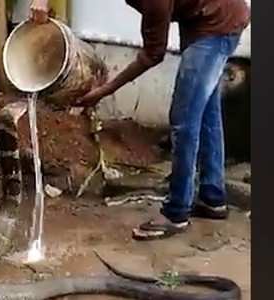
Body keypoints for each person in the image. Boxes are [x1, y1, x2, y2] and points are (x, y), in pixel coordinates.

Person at [30, 0, 250, 240]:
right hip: (201, 20)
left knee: (184, 119)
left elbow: (153, 54)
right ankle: (212, 197)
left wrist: (103, 91)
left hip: (217, 24)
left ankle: (176, 212)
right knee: (207, 112)